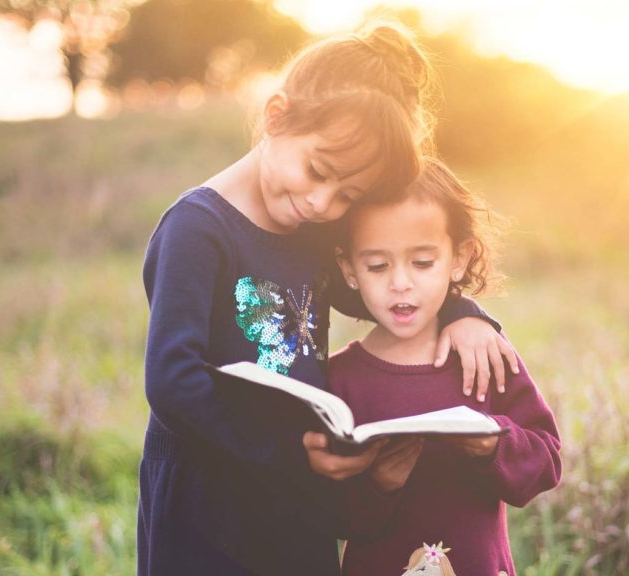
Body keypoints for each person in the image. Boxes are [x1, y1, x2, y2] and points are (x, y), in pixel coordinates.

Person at [138, 23, 518, 576]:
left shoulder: (312, 231)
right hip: (209, 491)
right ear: (275, 116)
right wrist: (291, 452)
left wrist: (465, 313)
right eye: (318, 171)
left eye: (348, 195)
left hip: (298, 487)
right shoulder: (198, 229)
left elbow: (385, 295)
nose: (321, 202)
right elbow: (172, 381)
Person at [330, 158, 562, 576]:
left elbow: (546, 463)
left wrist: (494, 444)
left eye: (422, 263)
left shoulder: (484, 354)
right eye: (377, 266)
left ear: (459, 258)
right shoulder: (340, 379)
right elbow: (329, 515)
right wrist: (377, 483)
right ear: (348, 268)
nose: (400, 282)